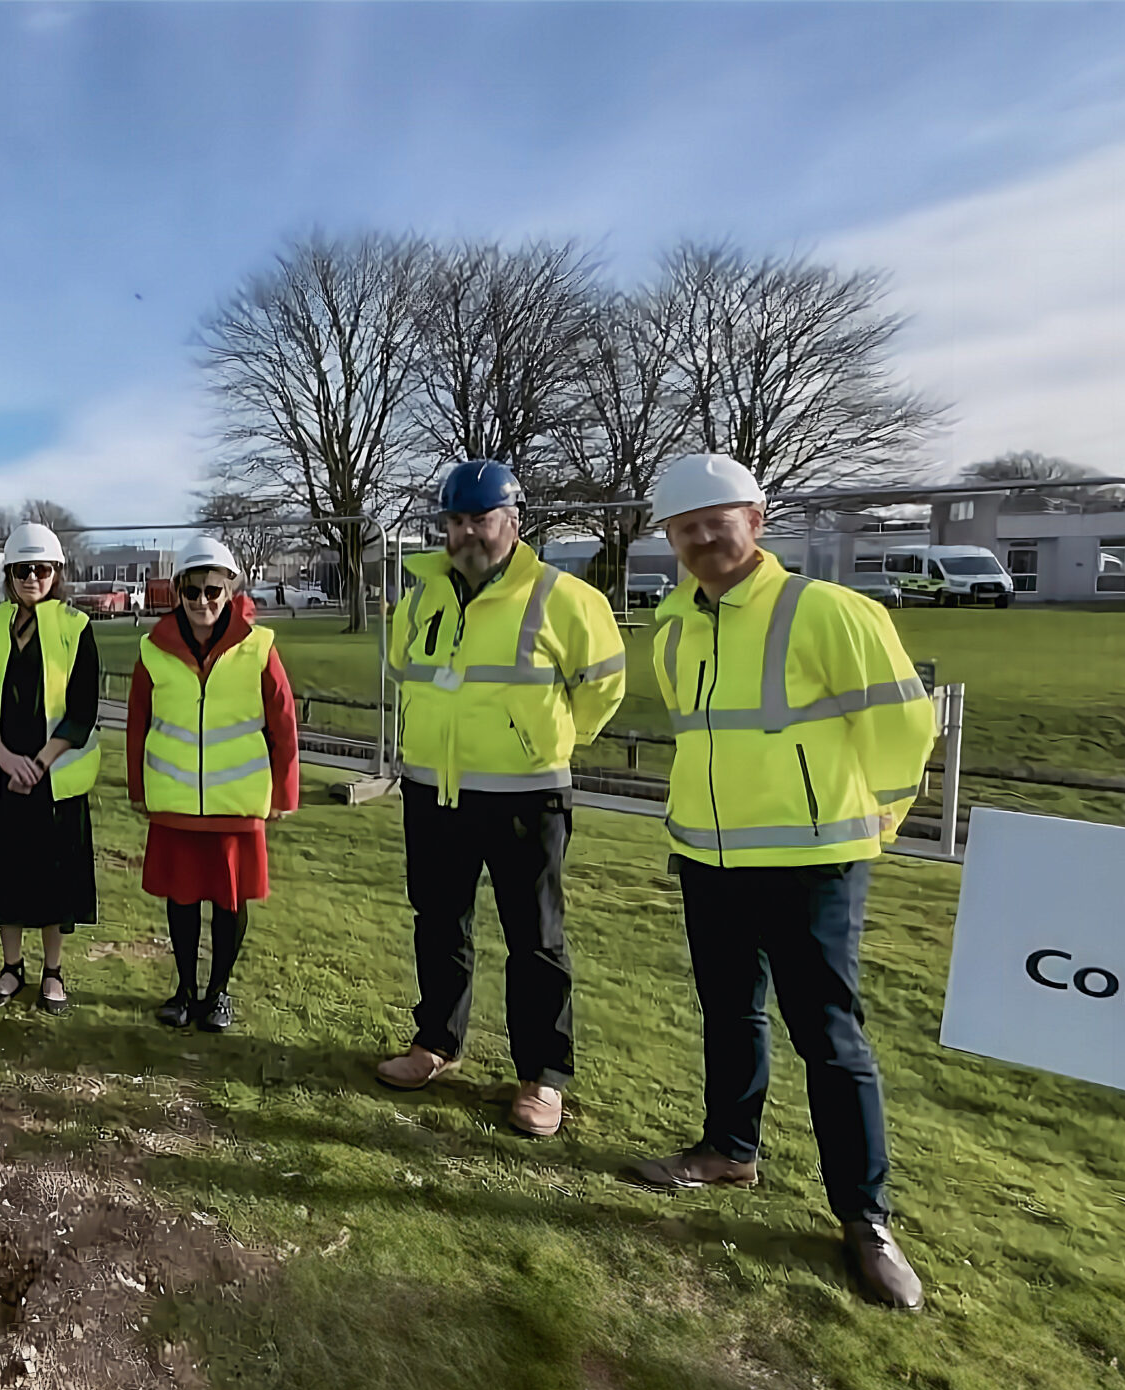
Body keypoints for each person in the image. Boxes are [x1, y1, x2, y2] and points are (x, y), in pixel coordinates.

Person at [624, 453, 936, 1311]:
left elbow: (906, 727)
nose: (700, 538)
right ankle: (728, 1149)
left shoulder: (828, 612)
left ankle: (865, 1220)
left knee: (830, 1039)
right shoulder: (675, 625)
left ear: (756, 520)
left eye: (715, 521)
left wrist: (872, 826)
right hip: (710, 860)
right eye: (683, 528)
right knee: (729, 1012)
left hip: (811, 863)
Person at [375, 461, 627, 1138]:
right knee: (438, 920)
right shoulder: (421, 597)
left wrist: (542, 741)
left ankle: (543, 1078)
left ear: (512, 522)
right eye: (454, 521)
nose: (465, 535)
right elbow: (407, 673)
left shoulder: (564, 598)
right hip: (434, 791)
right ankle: (437, 1044)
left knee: (535, 939)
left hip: (525, 796)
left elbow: (602, 687)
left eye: (479, 520)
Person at [126, 537, 301, 1032]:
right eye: (193, 592)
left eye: (213, 592)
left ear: (231, 590)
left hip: (236, 803)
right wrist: (138, 789)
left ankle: (218, 992)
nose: (203, 603)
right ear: (177, 591)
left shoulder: (259, 647)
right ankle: (183, 990)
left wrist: (285, 793)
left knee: (229, 902)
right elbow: (137, 721)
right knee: (180, 900)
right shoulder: (153, 649)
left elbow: (283, 724)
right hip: (175, 800)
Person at [0, 523, 102, 1013]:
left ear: (56, 573)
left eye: (41, 569)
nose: (32, 578)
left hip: (52, 778)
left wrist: (38, 764)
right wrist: (6, 760)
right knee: (5, 876)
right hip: (2, 776)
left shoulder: (76, 629)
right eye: (22, 570)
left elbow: (83, 709)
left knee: (53, 882)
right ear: (8, 574)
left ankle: (54, 972)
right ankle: (11, 968)